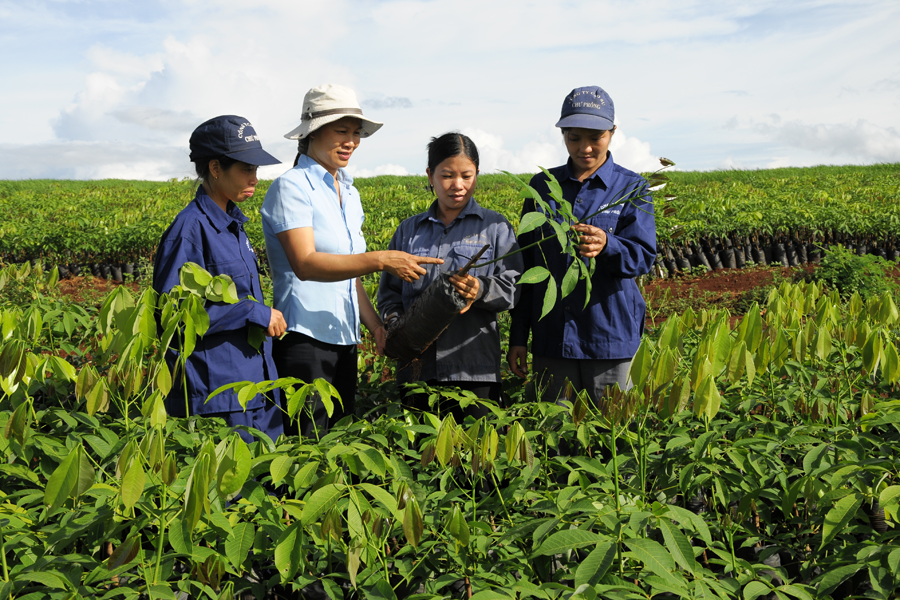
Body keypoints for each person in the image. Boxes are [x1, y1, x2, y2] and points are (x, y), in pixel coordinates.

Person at [261, 84, 443, 438]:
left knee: (337, 443)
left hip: (344, 339)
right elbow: (305, 263)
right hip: (304, 338)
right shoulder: (292, 187)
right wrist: (380, 260)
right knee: (306, 444)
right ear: (313, 132)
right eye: (341, 132)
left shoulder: (348, 191)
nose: (351, 142)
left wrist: (374, 327)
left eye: (356, 133)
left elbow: (349, 274)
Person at [508, 86, 656, 404]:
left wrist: (608, 245)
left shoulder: (632, 188)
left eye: (595, 137)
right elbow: (527, 267)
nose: (584, 148)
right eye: (574, 137)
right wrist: (518, 336)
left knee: (613, 429)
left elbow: (643, 257)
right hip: (552, 338)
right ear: (563, 135)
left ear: (612, 132)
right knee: (552, 429)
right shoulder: (542, 187)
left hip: (609, 338)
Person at [152, 115, 286, 443]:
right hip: (219, 397)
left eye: (256, 169)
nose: (255, 178)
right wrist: (252, 312)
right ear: (215, 168)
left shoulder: (233, 225)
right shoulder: (189, 230)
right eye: (246, 169)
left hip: (256, 386)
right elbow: (173, 318)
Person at [378, 133, 522, 420]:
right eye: (447, 176)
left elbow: (514, 288)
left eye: (467, 176)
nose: (458, 185)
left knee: (477, 446)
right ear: (430, 176)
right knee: (420, 445)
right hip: (417, 370)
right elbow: (389, 294)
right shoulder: (408, 231)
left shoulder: (495, 227)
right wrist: (395, 324)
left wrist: (480, 289)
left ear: (477, 174)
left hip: (474, 369)